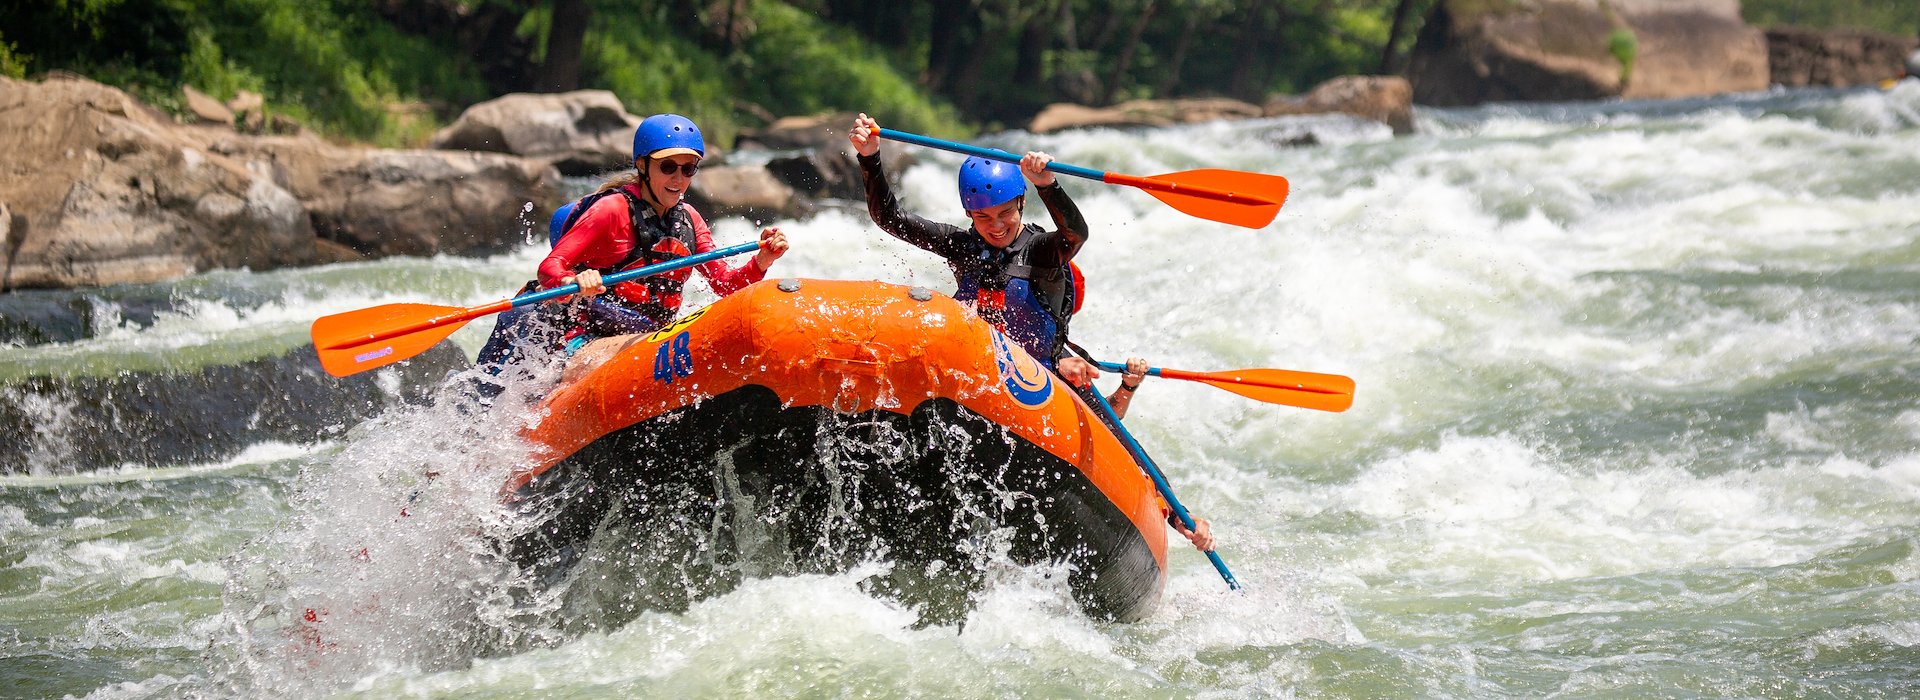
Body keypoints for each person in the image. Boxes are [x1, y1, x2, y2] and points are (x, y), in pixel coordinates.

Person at [476, 113, 789, 376]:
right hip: (586, 338)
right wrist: (574, 280)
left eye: (688, 168)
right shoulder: (612, 210)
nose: (678, 178)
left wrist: (762, 260)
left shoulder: (690, 221)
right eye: (668, 167)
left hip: (650, 338)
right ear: (642, 165)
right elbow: (549, 268)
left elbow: (724, 283)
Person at [848, 113, 1101, 388]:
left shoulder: (1041, 250)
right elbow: (890, 218)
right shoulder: (959, 245)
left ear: (1022, 202)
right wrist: (870, 157)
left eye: (1005, 213)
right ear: (968, 212)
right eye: (983, 217)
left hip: (1042, 379)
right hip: (979, 374)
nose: (997, 227)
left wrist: (1047, 185)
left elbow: (1076, 235)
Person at [1104, 356, 1216, 552]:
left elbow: (1106, 419)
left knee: (1113, 430)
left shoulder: (1062, 352)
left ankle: (1177, 511)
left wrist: (1128, 386)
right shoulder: (1053, 358)